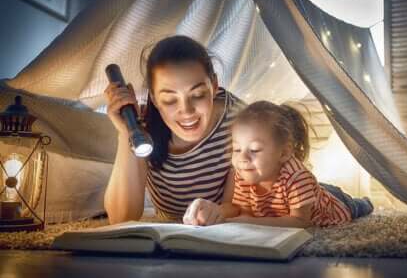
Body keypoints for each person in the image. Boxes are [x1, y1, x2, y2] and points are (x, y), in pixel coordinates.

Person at [103, 35, 245, 224]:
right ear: (153, 98)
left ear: (214, 86)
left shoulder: (240, 120)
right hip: (168, 232)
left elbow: (249, 205)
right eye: (170, 99)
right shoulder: (143, 127)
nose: (186, 111)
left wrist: (218, 212)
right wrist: (125, 132)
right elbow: (121, 218)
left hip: (219, 227)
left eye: (197, 94)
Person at [184, 101, 373, 228]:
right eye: (236, 149)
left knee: (355, 207)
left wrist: (251, 223)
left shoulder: (298, 178)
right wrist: (220, 214)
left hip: (332, 203)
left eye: (255, 150)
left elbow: (301, 221)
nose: (243, 158)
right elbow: (244, 211)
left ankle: (364, 202)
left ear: (283, 153)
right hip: (305, 195)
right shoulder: (243, 173)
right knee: (315, 191)